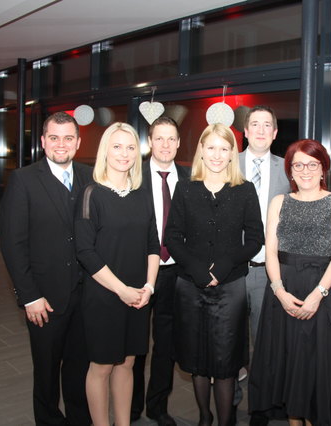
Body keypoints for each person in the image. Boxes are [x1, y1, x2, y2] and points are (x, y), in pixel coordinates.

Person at [164, 123, 264, 426]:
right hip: (190, 287)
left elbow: (255, 239)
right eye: (211, 148)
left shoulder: (245, 190)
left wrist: (224, 266)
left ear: (232, 153)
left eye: (224, 148)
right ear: (202, 151)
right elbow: (172, 237)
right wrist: (196, 269)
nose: (218, 154)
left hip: (230, 288)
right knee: (197, 362)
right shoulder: (185, 188)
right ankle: (204, 418)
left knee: (225, 363)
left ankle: (224, 421)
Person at [249, 139, 331, 426]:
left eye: (312, 164)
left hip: (322, 290)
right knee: (287, 366)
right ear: (290, 171)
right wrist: (279, 291)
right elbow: (270, 250)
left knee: (315, 368)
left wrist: (317, 295)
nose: (305, 170)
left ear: (322, 169)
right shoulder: (279, 202)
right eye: (298, 165)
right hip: (284, 291)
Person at [0, 111, 92, 426]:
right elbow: (12, 244)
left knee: (80, 367)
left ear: (78, 143)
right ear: (43, 141)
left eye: (68, 138)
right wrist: (29, 296)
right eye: (54, 137)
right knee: (47, 371)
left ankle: (80, 419)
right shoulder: (23, 180)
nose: (61, 144)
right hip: (45, 298)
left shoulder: (89, 176)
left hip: (85, 296)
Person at [75, 122, 160, 426]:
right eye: (117, 146)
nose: (124, 153)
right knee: (101, 366)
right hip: (104, 295)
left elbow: (153, 244)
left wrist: (148, 287)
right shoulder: (91, 194)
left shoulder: (142, 195)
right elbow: (86, 252)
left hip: (138, 295)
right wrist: (121, 289)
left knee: (127, 363)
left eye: (130, 147)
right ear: (105, 151)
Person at [130, 117, 190, 426]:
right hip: (138, 271)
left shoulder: (191, 177)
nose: (166, 144)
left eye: (172, 139)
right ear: (150, 142)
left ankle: (158, 406)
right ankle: (131, 407)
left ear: (179, 143)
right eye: (160, 138)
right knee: (137, 343)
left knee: (166, 343)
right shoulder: (132, 174)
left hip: (176, 273)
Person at [238, 105, 290, 350]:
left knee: (264, 340)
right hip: (232, 269)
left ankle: (261, 386)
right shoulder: (227, 163)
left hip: (267, 271)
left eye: (267, 124)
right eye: (255, 124)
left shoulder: (289, 170)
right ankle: (232, 385)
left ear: (275, 132)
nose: (261, 129)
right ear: (246, 131)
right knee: (229, 339)